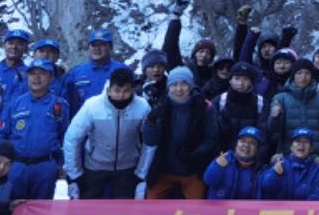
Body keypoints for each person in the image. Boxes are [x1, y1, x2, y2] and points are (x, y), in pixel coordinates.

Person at [63, 67, 150, 200]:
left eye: (126, 91)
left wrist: (141, 172)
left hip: (127, 168)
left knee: (124, 209)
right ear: (109, 89)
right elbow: (72, 139)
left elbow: (149, 142)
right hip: (95, 166)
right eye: (117, 91)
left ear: (133, 90)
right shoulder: (92, 106)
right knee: (89, 208)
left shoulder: (142, 106)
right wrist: (74, 174)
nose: (121, 96)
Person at [0, 57, 70, 202]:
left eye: (42, 73)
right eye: (32, 73)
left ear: (51, 78)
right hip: (17, 166)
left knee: (41, 209)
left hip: (45, 167)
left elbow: (65, 137)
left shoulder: (60, 105)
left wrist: (61, 164)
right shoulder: (15, 103)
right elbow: (1, 133)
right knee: (13, 207)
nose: (36, 78)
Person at [140, 66, 218, 199]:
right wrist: (150, 123)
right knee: (151, 203)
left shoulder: (204, 107)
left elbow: (212, 139)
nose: (179, 89)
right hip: (164, 169)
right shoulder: (162, 106)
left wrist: (197, 152)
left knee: (197, 205)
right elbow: (150, 141)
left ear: (191, 86)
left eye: (184, 84)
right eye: (174, 85)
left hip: (192, 171)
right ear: (168, 87)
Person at [264, 57, 319, 155]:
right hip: (287, 153)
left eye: (307, 73)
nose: (303, 77)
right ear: (293, 76)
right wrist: (275, 117)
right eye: (299, 73)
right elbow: (272, 129)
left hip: (315, 154)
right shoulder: (281, 98)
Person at [64, 30, 127, 113]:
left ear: (111, 47)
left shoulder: (123, 70)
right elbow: (69, 103)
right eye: (94, 45)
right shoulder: (76, 72)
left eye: (102, 44)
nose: (97, 48)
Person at [260, 128, 319, 201]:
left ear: (311, 148)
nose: (301, 145)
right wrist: (275, 174)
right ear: (291, 147)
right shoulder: (280, 163)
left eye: (306, 142)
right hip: (283, 208)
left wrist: (304, 207)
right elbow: (266, 188)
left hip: (308, 208)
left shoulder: (318, 169)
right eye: (297, 141)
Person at [203, 127, 266, 199]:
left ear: (257, 149)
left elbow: (269, 186)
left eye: (252, 143)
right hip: (219, 206)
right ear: (236, 144)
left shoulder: (261, 169)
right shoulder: (224, 159)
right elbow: (208, 181)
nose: (246, 145)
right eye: (243, 141)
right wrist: (217, 166)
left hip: (246, 206)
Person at [213, 62, 262, 152]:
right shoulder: (220, 100)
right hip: (222, 153)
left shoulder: (260, 102)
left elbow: (263, 133)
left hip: (249, 153)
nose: (241, 83)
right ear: (230, 80)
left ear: (251, 81)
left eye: (245, 79)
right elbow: (212, 132)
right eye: (237, 78)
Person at [0, 29, 32, 98]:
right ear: (4, 46)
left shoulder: (31, 74)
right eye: (11, 43)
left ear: (26, 48)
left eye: (20, 44)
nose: (14, 47)